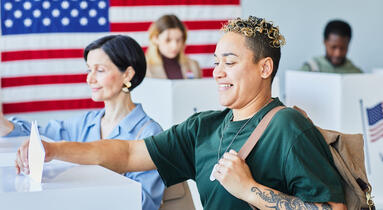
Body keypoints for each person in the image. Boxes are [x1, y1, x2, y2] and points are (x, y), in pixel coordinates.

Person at [16, 17, 347, 209]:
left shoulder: (287, 125)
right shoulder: (203, 126)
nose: (217, 72)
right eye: (216, 62)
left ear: (265, 68)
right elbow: (128, 152)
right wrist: (55, 150)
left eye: (229, 63)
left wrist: (249, 189)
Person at [3, 35, 165, 210]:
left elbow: (144, 204)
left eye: (100, 70)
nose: (90, 79)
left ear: (127, 74)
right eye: (89, 70)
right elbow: (42, 135)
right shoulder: (87, 122)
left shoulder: (150, 133)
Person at [145, 14, 202, 79]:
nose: (174, 46)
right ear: (155, 38)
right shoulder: (145, 69)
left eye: (178, 40)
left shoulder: (193, 65)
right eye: (168, 40)